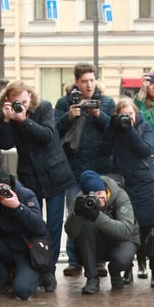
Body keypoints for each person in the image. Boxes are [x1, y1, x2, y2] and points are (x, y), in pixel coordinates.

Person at [0, 80, 76, 294]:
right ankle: (37, 266)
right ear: (7, 101)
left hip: (55, 174)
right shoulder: (8, 115)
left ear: (30, 97)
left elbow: (47, 136)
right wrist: (6, 120)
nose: (20, 106)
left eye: (23, 101)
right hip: (30, 176)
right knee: (34, 222)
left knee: (54, 225)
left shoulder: (43, 109)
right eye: (16, 103)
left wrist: (23, 120)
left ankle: (48, 271)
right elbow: (4, 144)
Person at [54, 62, 116, 277]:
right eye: (84, 81)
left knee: (99, 211)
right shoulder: (64, 103)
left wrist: (98, 114)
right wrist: (69, 115)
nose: (89, 85)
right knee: (74, 213)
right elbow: (54, 131)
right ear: (76, 82)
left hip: (100, 167)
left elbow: (113, 131)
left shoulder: (106, 102)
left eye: (92, 80)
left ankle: (98, 260)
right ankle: (74, 260)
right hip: (72, 169)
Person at [99, 97, 154, 286]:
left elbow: (145, 150)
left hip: (144, 183)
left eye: (130, 114)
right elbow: (104, 150)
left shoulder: (145, 126)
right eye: (123, 115)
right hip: (123, 184)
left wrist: (130, 129)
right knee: (127, 226)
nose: (127, 118)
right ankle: (129, 269)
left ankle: (149, 266)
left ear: (136, 113)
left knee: (146, 227)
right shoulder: (115, 129)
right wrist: (111, 127)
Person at [0, 167, 50, 300]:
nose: (1, 192)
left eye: (3, 187)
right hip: (7, 246)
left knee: (22, 291)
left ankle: (42, 273)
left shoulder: (25, 195)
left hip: (28, 250)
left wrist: (18, 207)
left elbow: (39, 228)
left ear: (10, 185)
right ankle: (3, 277)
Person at [64, 170, 140, 294]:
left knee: (122, 258)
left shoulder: (120, 196)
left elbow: (125, 231)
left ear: (105, 189)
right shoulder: (81, 199)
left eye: (100, 193)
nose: (99, 198)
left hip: (122, 240)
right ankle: (92, 278)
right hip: (99, 242)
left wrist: (97, 216)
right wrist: (76, 215)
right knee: (86, 226)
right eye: (94, 196)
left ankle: (115, 272)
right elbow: (71, 234)